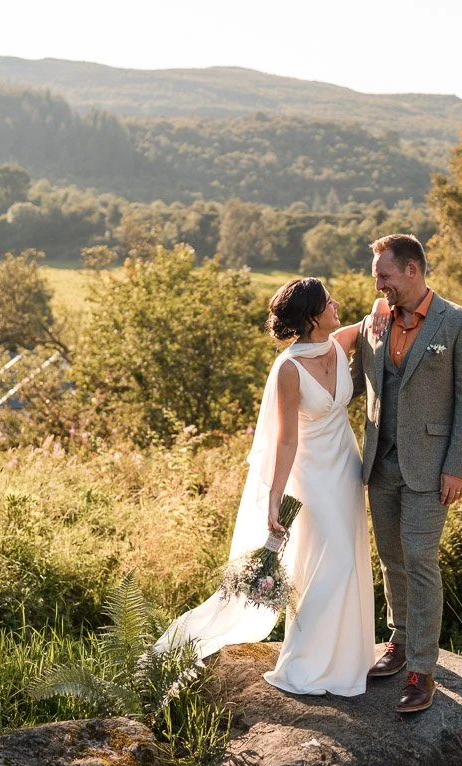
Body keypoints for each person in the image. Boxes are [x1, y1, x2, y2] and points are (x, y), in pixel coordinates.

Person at [153, 278, 385, 697]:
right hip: (311, 476)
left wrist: (386, 301)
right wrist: (276, 497)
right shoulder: (289, 369)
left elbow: (373, 315)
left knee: (349, 558)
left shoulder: (336, 343)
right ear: (313, 316)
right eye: (328, 302)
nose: (337, 305)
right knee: (332, 565)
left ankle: (348, 658)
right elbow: (285, 439)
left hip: (346, 471)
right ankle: (303, 664)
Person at [351, 233, 462, 713]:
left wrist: (458, 467)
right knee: (391, 557)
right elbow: (353, 382)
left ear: (413, 270)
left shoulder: (461, 324)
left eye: (385, 275)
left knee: (419, 558)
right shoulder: (376, 322)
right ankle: (399, 642)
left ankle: (422, 669)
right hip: (379, 462)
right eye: (377, 278)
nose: (380, 284)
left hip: (432, 468)